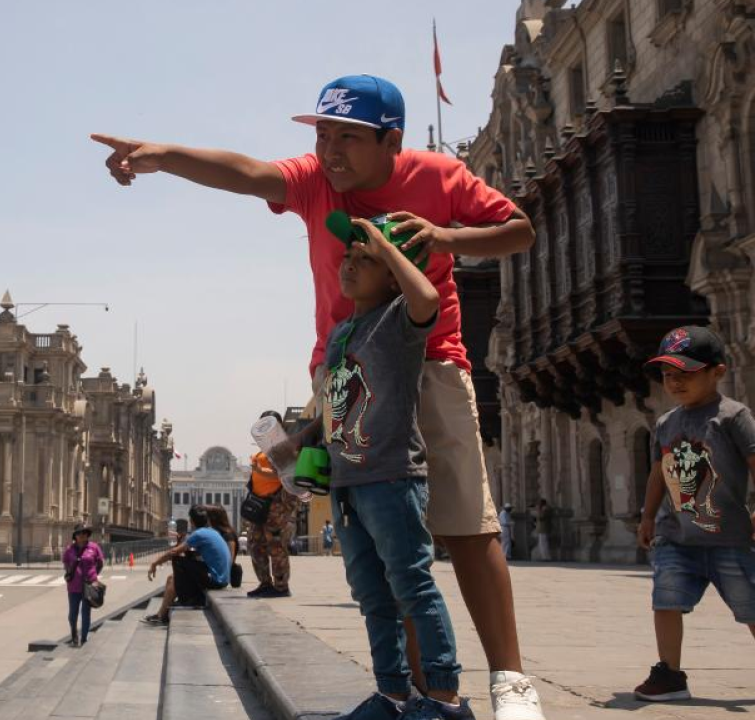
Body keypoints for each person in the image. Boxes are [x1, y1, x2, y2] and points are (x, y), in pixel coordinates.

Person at [93, 74, 544, 719]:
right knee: (385, 536)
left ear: (392, 139)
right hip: (346, 377)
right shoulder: (315, 182)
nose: (330, 149)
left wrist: (447, 239)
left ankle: (512, 680)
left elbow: (519, 230)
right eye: (323, 133)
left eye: (348, 137)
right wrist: (163, 156)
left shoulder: (440, 177)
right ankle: (419, 694)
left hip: (432, 362)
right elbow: (245, 172)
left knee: (468, 525)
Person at [312, 213, 469, 718]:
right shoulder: (341, 334)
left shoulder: (400, 319)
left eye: (366, 259)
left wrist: (384, 240)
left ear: (394, 270)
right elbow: (334, 408)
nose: (350, 265)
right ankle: (392, 693)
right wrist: (298, 447)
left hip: (393, 477)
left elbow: (429, 301)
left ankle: (444, 696)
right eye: (349, 256)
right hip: (349, 483)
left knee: (412, 585)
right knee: (370, 593)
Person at [633, 326, 755, 702]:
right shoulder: (666, 423)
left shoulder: (733, 416)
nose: (676, 382)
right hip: (677, 537)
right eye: (669, 375)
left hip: (729, 538)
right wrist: (648, 516)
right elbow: (658, 471)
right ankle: (670, 674)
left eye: (686, 374)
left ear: (716, 372)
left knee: (750, 606)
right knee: (665, 601)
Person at [142, 505, 230, 625]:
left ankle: (185, 600)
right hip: (222, 579)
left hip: (215, 580)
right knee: (171, 579)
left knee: (177, 560)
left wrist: (155, 563)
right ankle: (161, 615)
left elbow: (174, 552)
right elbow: (196, 554)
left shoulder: (199, 534)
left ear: (191, 521)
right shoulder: (212, 532)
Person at [247, 411, 303, 598]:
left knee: (276, 545)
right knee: (255, 544)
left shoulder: (283, 448)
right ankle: (264, 583)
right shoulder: (264, 448)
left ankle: (281, 586)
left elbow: (283, 475)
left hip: (276, 505)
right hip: (260, 505)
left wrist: (258, 470)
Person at [62, 524, 105, 647]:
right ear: (75, 536)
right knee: (72, 614)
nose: (82, 536)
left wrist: (94, 576)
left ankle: (84, 638)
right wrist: (69, 572)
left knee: (86, 612)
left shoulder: (94, 547)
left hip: (89, 585)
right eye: (80, 533)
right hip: (73, 586)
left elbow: (100, 563)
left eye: (85, 533)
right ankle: (74, 635)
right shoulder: (69, 549)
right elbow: (65, 562)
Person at [205, 504, 242, 588]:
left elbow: (229, 560)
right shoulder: (214, 532)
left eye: (207, 516)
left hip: (220, 577)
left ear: (213, 518)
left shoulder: (227, 535)